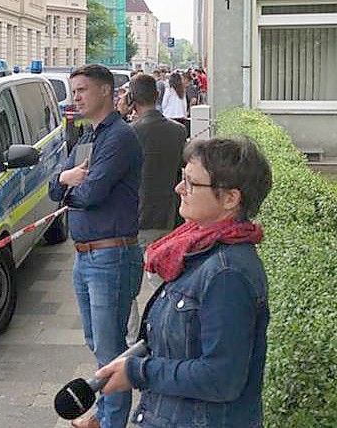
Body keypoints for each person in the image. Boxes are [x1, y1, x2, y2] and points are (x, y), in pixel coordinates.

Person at [93, 137, 273, 428]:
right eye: (181, 178)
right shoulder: (197, 250)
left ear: (230, 198)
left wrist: (139, 372)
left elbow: (221, 379)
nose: (179, 188)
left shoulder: (227, 273)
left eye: (190, 183)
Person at [49, 64, 143, 428]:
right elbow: (55, 189)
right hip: (85, 255)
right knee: (95, 340)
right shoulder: (89, 136)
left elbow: (91, 193)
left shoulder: (119, 137)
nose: (76, 98)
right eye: (74, 92)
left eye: (82, 90)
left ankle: (110, 422)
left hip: (111, 253)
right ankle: (105, 415)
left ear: (106, 90)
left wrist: (69, 186)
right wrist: (64, 178)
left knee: (109, 348)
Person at [123, 74, 186, 346]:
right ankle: (164, 334)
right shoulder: (177, 131)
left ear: (132, 101)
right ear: (157, 96)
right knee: (162, 283)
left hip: (134, 219)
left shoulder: (128, 133)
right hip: (169, 217)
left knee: (127, 288)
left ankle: (132, 340)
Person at [161, 72, 189, 136]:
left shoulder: (169, 90)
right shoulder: (182, 90)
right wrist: (185, 113)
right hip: (180, 115)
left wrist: (164, 111)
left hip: (169, 115)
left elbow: (164, 103)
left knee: (169, 135)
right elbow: (184, 104)